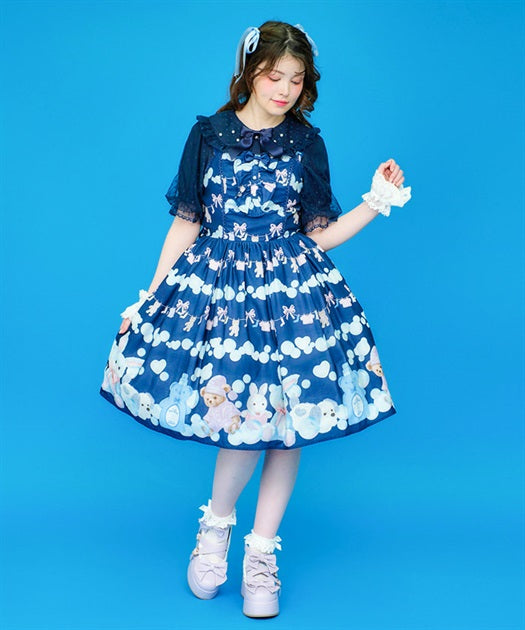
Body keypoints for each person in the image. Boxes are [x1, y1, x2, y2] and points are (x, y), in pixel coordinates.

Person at [99, 20, 412, 619]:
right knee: (242, 417)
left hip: (293, 295)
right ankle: (215, 529)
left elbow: (320, 235)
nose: (284, 89)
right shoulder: (208, 135)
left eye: (295, 79)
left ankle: (262, 553)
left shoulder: (306, 143)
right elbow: (186, 222)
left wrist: (376, 200)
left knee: (292, 422)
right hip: (222, 295)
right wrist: (150, 298)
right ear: (248, 73)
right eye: (274, 76)